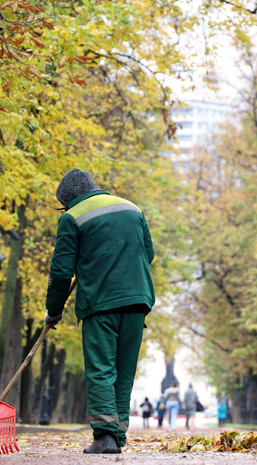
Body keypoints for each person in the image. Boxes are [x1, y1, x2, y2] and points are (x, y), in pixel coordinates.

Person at [44, 169, 155, 454]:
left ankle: (104, 436)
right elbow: (148, 254)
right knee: (124, 370)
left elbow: (60, 272)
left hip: (100, 302)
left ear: (68, 200)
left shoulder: (72, 217)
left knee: (101, 369)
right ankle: (117, 435)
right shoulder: (132, 209)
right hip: (137, 300)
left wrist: (53, 311)